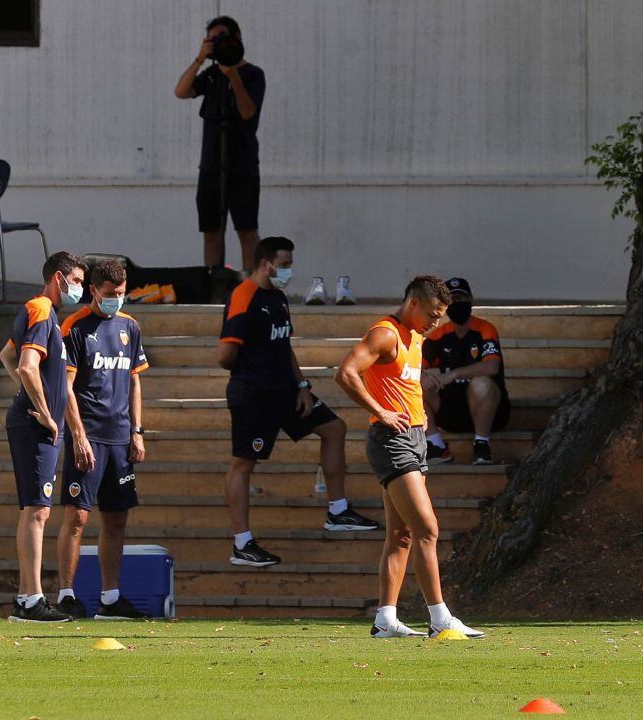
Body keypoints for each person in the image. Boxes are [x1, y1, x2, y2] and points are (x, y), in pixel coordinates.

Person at [335, 275, 484, 639]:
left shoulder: (416, 336)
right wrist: (381, 411)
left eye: (441, 317)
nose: (436, 323)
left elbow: (404, 385)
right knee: (427, 528)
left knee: (401, 535)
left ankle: (385, 619)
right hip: (392, 440)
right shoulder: (385, 333)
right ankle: (439, 618)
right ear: (414, 303)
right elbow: (346, 373)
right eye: (433, 314)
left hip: (414, 438)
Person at [219, 236, 379, 567]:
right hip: (254, 395)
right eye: (285, 264)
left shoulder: (277, 297)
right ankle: (242, 544)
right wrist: (255, 372)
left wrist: (302, 384)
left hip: (287, 392)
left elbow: (284, 345)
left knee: (334, 428)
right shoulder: (243, 296)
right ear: (266, 264)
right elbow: (225, 354)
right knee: (243, 463)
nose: (289, 270)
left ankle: (337, 510)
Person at [55, 260, 150, 620]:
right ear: (94, 290)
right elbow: (66, 386)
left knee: (116, 519)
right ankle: (66, 594)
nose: (117, 299)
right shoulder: (76, 327)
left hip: (121, 437)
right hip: (89, 435)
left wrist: (137, 431)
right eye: (111, 294)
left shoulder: (130, 326)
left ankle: (110, 598)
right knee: (77, 516)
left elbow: (135, 380)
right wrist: (77, 436)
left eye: (122, 293)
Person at [0, 252, 87, 622]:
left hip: (38, 423)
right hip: (36, 425)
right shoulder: (40, 308)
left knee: (37, 510)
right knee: (37, 511)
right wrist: (45, 413)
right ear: (58, 277)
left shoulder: (47, 314)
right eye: (78, 280)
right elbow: (24, 365)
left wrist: (34, 399)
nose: (79, 288)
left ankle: (27, 597)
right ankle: (31, 599)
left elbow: (6, 354)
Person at [174, 15, 265, 271]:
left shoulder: (254, 74)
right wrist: (200, 59)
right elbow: (181, 92)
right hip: (211, 166)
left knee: (247, 230)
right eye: (212, 39)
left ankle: (249, 288)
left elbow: (248, 113)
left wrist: (234, 76)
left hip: (243, 166)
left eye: (222, 37)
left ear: (237, 38)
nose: (218, 43)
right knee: (211, 232)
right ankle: (213, 289)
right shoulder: (211, 74)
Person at [422, 278, 509, 466]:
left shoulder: (485, 329)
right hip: (451, 410)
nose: (457, 303)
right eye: (452, 299)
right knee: (416, 383)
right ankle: (436, 445)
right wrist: (423, 376)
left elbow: (491, 366)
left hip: (489, 411)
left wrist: (453, 374)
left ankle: (481, 445)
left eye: (461, 298)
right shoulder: (438, 335)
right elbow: (414, 366)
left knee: (481, 383)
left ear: (471, 300)